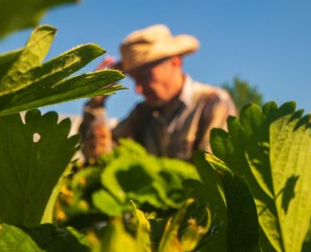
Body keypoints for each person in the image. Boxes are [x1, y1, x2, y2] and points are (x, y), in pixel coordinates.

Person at [79, 24, 237, 162]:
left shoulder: (212, 103)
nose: (138, 89)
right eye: (135, 79)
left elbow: (216, 177)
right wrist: (96, 103)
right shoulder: (141, 113)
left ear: (175, 61)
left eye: (144, 76)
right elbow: (101, 160)